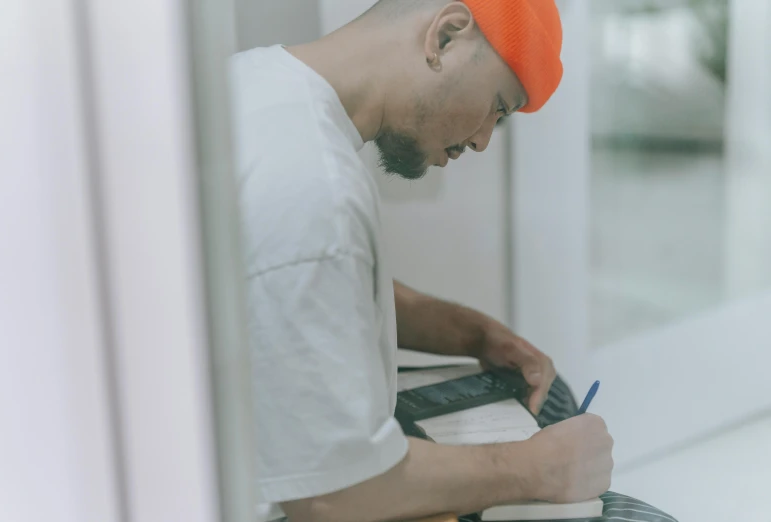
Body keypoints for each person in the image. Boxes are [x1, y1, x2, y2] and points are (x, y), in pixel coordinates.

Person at [230, 1, 677, 521]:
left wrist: (473, 334)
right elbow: (334, 498)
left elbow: (307, 281)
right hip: (311, 498)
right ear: (445, 36)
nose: (483, 139)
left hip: (272, 437)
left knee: (551, 399)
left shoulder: (256, 80)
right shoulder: (312, 190)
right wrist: (536, 469)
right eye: (498, 107)